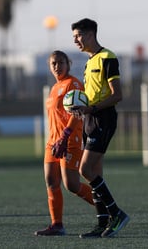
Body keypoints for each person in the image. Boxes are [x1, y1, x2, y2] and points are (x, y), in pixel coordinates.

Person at [70, 18, 130, 238]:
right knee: (95, 172)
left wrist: (91, 108)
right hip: (90, 118)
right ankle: (102, 222)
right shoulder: (88, 62)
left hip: (103, 118)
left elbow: (118, 95)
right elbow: (92, 94)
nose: (75, 40)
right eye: (74, 36)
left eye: (78, 35)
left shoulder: (108, 57)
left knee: (84, 170)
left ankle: (117, 214)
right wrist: (79, 105)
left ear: (90, 34)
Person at [34, 50, 94, 236]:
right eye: (53, 63)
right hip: (53, 141)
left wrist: (65, 135)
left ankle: (108, 208)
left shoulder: (73, 84)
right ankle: (57, 224)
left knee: (72, 185)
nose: (57, 66)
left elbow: (77, 114)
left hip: (69, 140)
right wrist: (56, 138)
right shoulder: (54, 88)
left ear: (68, 64)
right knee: (51, 180)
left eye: (60, 62)